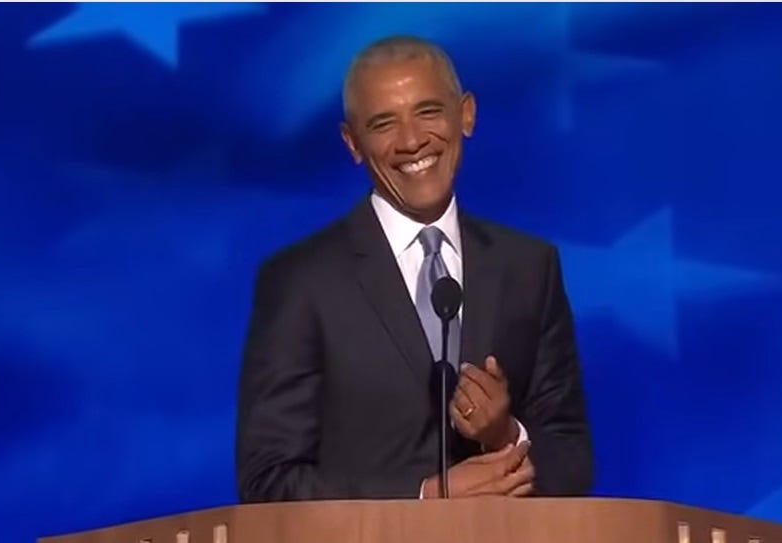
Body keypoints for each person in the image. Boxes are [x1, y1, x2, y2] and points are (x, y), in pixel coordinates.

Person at [235, 35, 593, 501]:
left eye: (428, 112)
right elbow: (267, 482)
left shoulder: (529, 267)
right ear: (353, 143)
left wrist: (504, 434)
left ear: (465, 114)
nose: (411, 141)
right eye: (383, 123)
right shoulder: (300, 282)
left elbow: (573, 462)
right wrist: (424, 497)